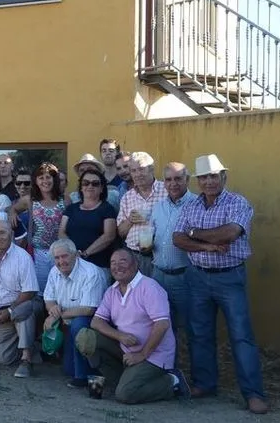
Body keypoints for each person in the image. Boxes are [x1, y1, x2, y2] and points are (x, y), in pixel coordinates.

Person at [172, 154, 267, 414]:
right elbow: (178, 239)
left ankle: (253, 393)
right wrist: (209, 245)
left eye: (214, 175)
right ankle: (205, 384)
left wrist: (195, 234)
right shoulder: (191, 206)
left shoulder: (238, 202)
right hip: (198, 276)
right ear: (198, 181)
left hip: (229, 277)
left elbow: (231, 232)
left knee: (241, 336)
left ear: (223, 177)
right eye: (204, 177)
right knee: (199, 333)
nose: (209, 181)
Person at [76, 249, 188, 405]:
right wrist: (120, 336)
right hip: (126, 349)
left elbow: (162, 325)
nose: (117, 266)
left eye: (123, 261)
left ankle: (172, 382)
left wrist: (142, 354)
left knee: (125, 395)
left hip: (153, 355)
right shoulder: (112, 291)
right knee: (86, 337)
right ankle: (124, 381)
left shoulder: (149, 287)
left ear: (136, 264)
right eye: (113, 263)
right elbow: (96, 322)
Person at [0, 220, 39, 378]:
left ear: (11, 233)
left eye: (2, 233)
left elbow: (30, 291)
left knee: (25, 309)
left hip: (20, 304)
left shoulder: (22, 257)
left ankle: (26, 359)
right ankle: (34, 346)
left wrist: (10, 311)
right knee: (3, 359)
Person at [43, 238, 107, 388]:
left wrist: (56, 316)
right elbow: (48, 299)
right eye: (57, 258)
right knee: (68, 369)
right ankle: (91, 369)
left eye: (64, 256)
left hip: (91, 322)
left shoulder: (91, 272)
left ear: (75, 255)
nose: (60, 261)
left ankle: (83, 377)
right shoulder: (54, 270)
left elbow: (88, 309)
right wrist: (52, 309)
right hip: (68, 322)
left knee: (79, 323)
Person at [150, 162, 195, 341]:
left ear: (187, 180)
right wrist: (146, 244)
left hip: (185, 276)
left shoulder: (197, 204)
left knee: (193, 328)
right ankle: (168, 368)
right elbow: (153, 235)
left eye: (178, 179)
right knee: (162, 329)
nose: (173, 184)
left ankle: (196, 369)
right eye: (168, 180)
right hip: (158, 275)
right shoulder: (158, 207)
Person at [8, 163, 67, 293]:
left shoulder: (65, 200)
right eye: (41, 178)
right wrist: (12, 214)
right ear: (36, 181)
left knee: (60, 290)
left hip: (60, 253)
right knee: (39, 291)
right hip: (37, 253)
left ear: (54, 179)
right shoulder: (30, 200)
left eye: (48, 177)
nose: (45, 181)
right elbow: (14, 208)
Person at [117, 152, 167, 276]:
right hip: (134, 255)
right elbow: (121, 232)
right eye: (133, 171)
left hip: (160, 254)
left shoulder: (166, 190)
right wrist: (130, 221)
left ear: (151, 169)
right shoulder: (127, 197)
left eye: (141, 169)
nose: (137, 174)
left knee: (158, 292)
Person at [59, 168, 117, 272]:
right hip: (72, 265)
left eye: (95, 183)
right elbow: (61, 232)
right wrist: (73, 252)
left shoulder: (107, 209)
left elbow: (109, 236)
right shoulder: (71, 208)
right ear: (81, 187)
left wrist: (84, 254)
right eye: (85, 183)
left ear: (102, 188)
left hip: (99, 266)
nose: (90, 186)